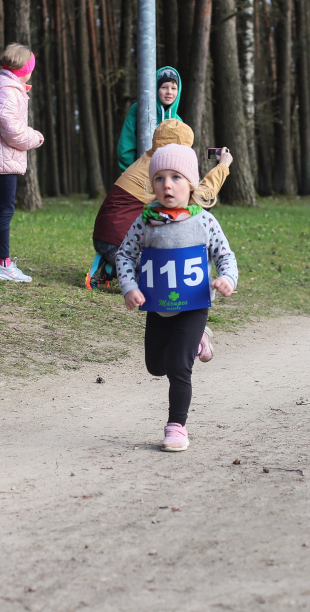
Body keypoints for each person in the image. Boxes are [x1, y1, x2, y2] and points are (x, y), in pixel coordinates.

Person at [116, 143, 238, 453]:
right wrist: (130, 287)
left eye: (176, 177)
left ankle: (176, 427)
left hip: (194, 303)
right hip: (158, 306)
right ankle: (200, 342)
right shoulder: (146, 222)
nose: (167, 184)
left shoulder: (204, 221)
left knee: (179, 366)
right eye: (159, 178)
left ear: (192, 184)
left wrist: (226, 279)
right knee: (157, 366)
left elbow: (225, 256)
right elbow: (125, 255)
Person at [89, 119, 231, 289]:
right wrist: (223, 166)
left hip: (107, 237)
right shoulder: (166, 168)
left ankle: (110, 264)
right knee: (171, 274)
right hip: (118, 242)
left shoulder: (150, 161)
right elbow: (200, 198)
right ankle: (110, 269)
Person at [0, 43, 44, 282]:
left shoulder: (8, 88)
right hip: (5, 158)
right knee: (5, 210)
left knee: (4, 209)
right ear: (24, 69)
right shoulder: (8, 91)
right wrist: (35, 137)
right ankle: (1, 262)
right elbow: (12, 130)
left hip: (5, 158)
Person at [116, 66, 182, 173]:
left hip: (166, 183)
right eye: (164, 87)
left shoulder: (178, 121)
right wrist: (132, 174)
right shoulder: (138, 110)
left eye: (173, 88)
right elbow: (125, 147)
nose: (169, 92)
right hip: (138, 177)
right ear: (155, 88)